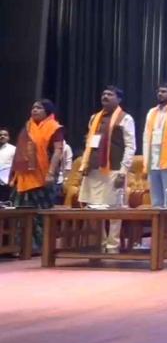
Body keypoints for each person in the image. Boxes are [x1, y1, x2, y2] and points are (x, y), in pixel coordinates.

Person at [77, 86, 136, 253]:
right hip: (94, 168)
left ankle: (112, 245)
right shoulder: (94, 118)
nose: (105, 96)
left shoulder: (126, 118)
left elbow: (131, 146)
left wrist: (123, 171)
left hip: (115, 168)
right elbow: (90, 143)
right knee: (93, 207)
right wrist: (85, 164)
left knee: (115, 209)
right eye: (104, 94)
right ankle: (100, 243)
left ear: (119, 99)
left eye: (110, 94)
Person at [10, 99, 64, 251]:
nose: (34, 110)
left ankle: (42, 248)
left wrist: (51, 173)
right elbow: (20, 153)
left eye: (39, 108)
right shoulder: (28, 127)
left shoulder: (54, 127)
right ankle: (22, 247)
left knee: (41, 214)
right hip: (24, 177)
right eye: (33, 107)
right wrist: (14, 176)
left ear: (47, 111)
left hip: (44, 177)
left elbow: (58, 151)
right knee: (22, 213)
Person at [0, 128, 16, 203]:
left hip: (7, 181)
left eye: (5, 135)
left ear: (8, 137)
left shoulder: (13, 149)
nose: (2, 136)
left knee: (5, 203)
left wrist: (13, 180)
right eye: (0, 135)